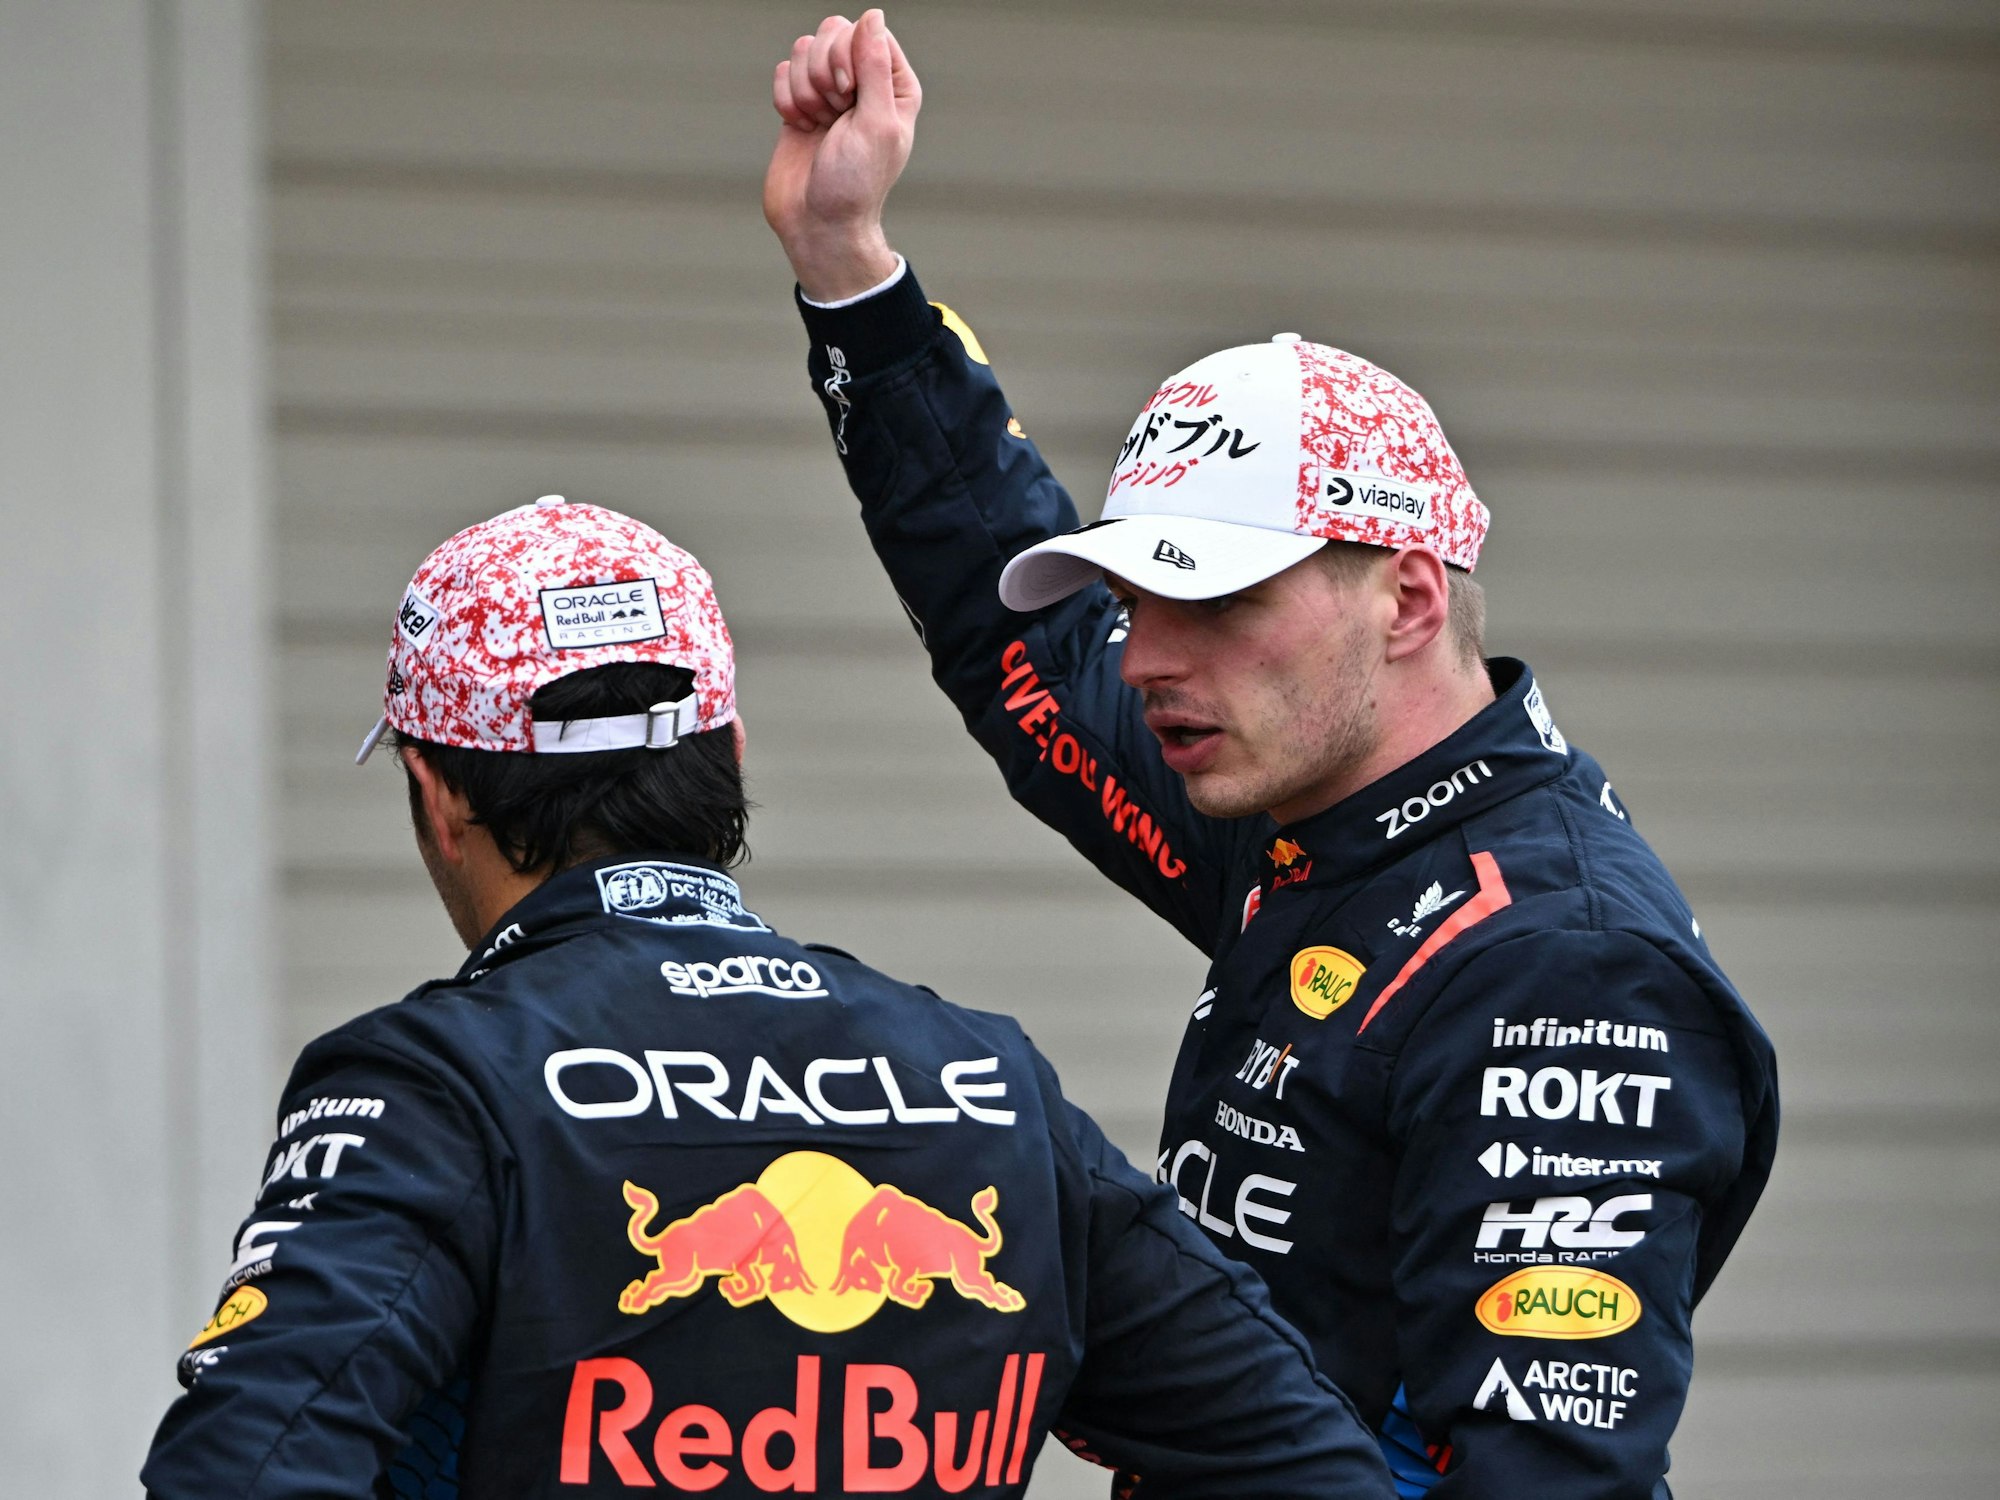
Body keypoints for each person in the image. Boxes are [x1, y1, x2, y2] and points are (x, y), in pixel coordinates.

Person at [764, 12, 1780, 1496]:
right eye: (1139, 598)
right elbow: (1019, 640)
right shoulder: (1317, 803)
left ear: (1408, 600)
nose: (1148, 659)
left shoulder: (1559, 967)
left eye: (1219, 602)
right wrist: (848, 268)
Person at [141, 496, 1396, 1498]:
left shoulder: (433, 1086)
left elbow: (243, 1465)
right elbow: (1299, 1461)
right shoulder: (988, 1082)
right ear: (729, 757)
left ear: (436, 795)